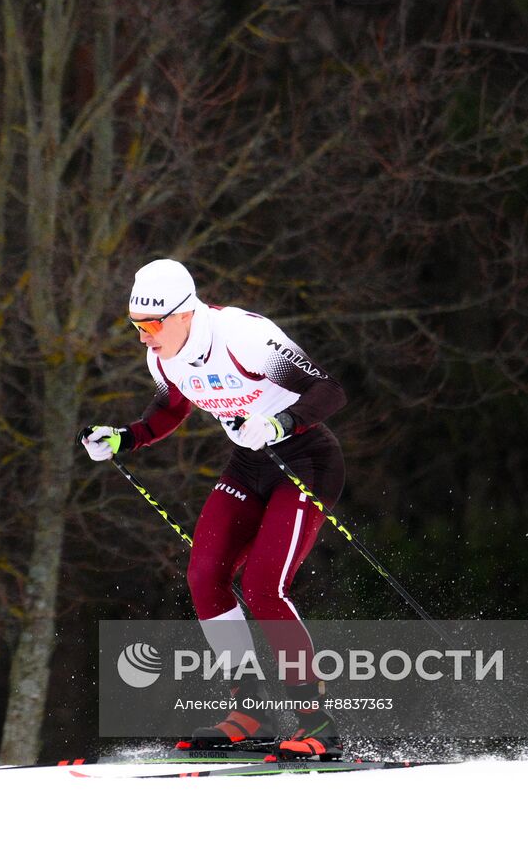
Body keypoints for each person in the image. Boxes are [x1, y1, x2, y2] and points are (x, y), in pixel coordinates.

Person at [79, 258, 348, 758]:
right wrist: (124, 438)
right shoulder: (163, 356)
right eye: (136, 325)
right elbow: (169, 410)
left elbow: (329, 390)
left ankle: (318, 723)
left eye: (153, 325)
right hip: (249, 464)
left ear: (185, 314)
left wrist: (279, 424)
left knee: (265, 585)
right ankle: (251, 708)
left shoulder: (243, 336)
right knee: (205, 576)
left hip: (306, 460)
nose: (143, 336)